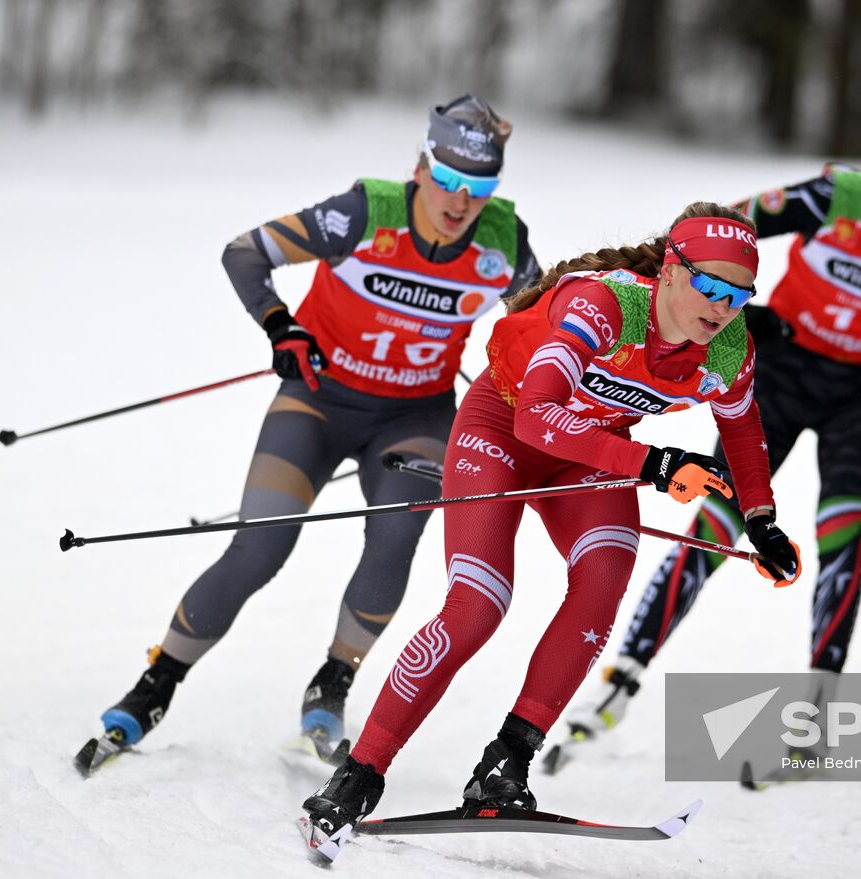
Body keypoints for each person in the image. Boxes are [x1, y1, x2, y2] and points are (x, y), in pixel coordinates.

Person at [546, 97, 861, 770]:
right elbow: (716, 229)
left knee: (843, 524)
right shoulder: (834, 195)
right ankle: (619, 682)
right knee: (721, 517)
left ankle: (817, 714)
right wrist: (728, 307)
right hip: (781, 371)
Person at [298, 202, 803, 858]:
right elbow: (537, 417)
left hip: (589, 451)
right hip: (502, 428)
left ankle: (505, 764)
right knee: (478, 605)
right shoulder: (603, 305)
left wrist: (760, 518)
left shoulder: (728, 348)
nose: (720, 306)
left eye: (738, 295)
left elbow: (741, 429)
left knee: (602, 582)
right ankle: (357, 776)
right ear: (672, 272)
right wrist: (654, 463)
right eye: (708, 284)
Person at [88, 95, 541, 760]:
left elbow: (542, 327)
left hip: (416, 416)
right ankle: (155, 683)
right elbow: (243, 252)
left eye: (477, 190)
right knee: (260, 547)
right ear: (420, 167)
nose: (458, 202)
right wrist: (281, 324)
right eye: (446, 181)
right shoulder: (363, 212)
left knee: (394, 540)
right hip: (318, 400)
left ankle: (333, 680)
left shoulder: (504, 241)